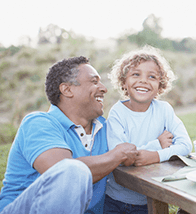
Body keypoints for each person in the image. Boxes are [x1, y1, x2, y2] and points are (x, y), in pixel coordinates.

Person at [0, 56, 138, 214]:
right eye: (94, 82)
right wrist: (116, 155)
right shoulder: (38, 123)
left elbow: (137, 150)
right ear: (67, 89)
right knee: (72, 170)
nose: (103, 88)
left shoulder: (106, 129)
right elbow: (63, 173)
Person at [104, 46, 192, 213]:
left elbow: (186, 145)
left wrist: (155, 156)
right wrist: (157, 145)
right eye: (136, 74)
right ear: (124, 82)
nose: (144, 81)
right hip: (117, 201)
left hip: (151, 199)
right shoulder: (117, 113)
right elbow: (122, 158)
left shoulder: (164, 110)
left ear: (160, 85)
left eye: (152, 77)